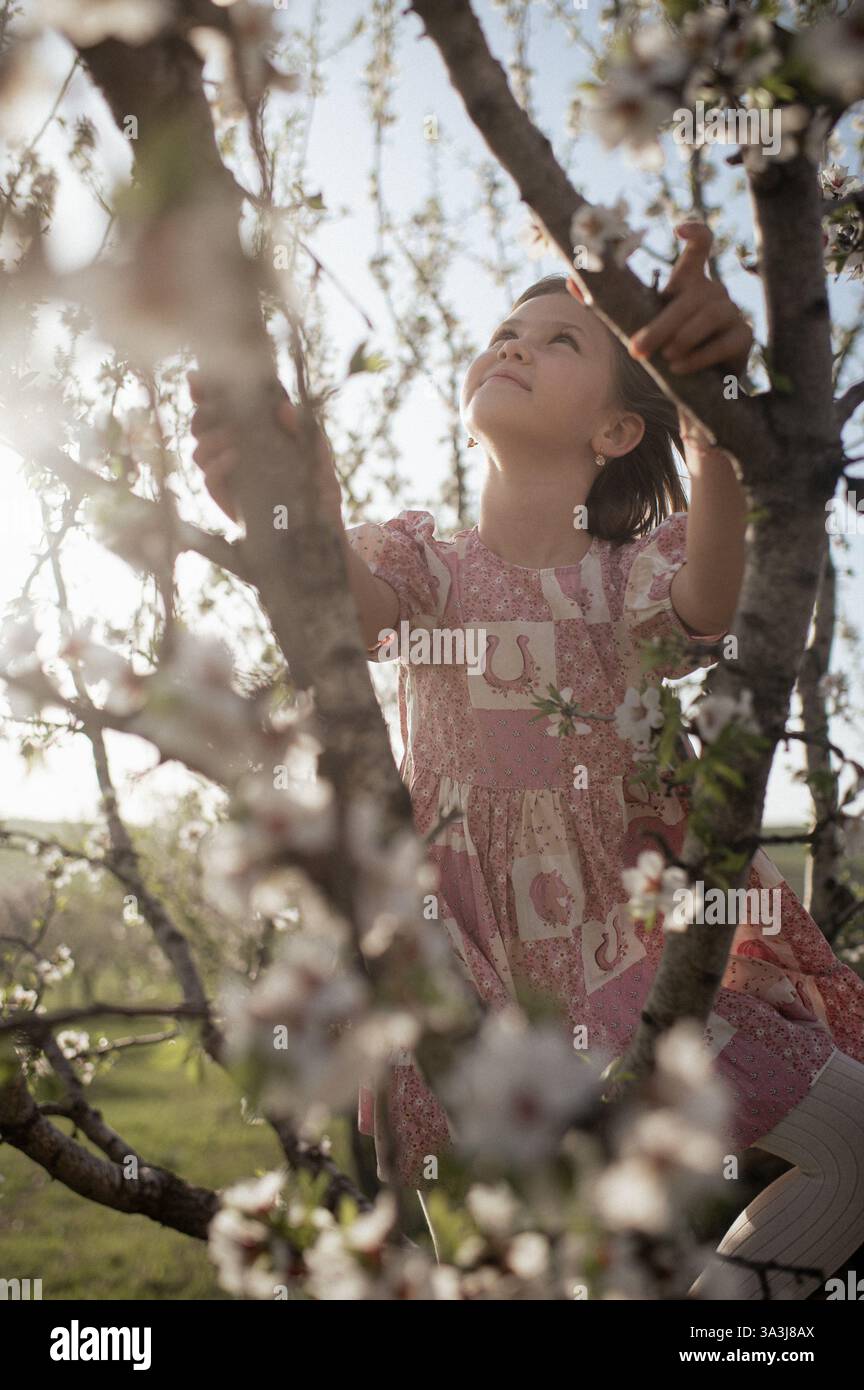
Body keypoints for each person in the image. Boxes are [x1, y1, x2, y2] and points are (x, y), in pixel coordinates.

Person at [189, 221, 864, 1300]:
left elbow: (712, 593)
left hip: (635, 963)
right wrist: (291, 513)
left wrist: (712, 412)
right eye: (507, 330)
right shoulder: (428, 564)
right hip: (472, 987)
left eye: (556, 341)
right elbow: (347, 601)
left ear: (613, 430)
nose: (512, 345)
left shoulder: (629, 576)